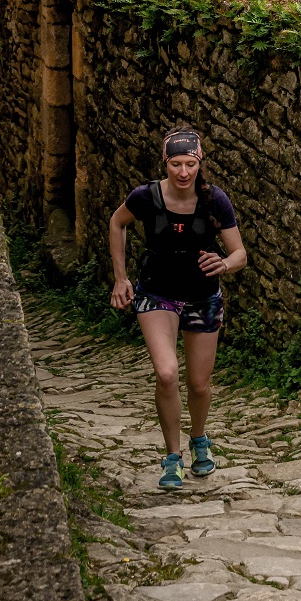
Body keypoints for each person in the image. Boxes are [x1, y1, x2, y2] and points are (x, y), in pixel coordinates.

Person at [109, 128, 247, 490]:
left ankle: (199, 438)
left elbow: (240, 254)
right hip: (157, 294)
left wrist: (224, 263)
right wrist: (121, 278)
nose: (183, 172)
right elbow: (117, 222)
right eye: (175, 164)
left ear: (200, 163)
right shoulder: (145, 197)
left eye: (190, 164)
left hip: (203, 296)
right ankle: (172, 456)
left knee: (199, 385)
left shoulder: (215, 200)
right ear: (165, 163)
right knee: (167, 373)